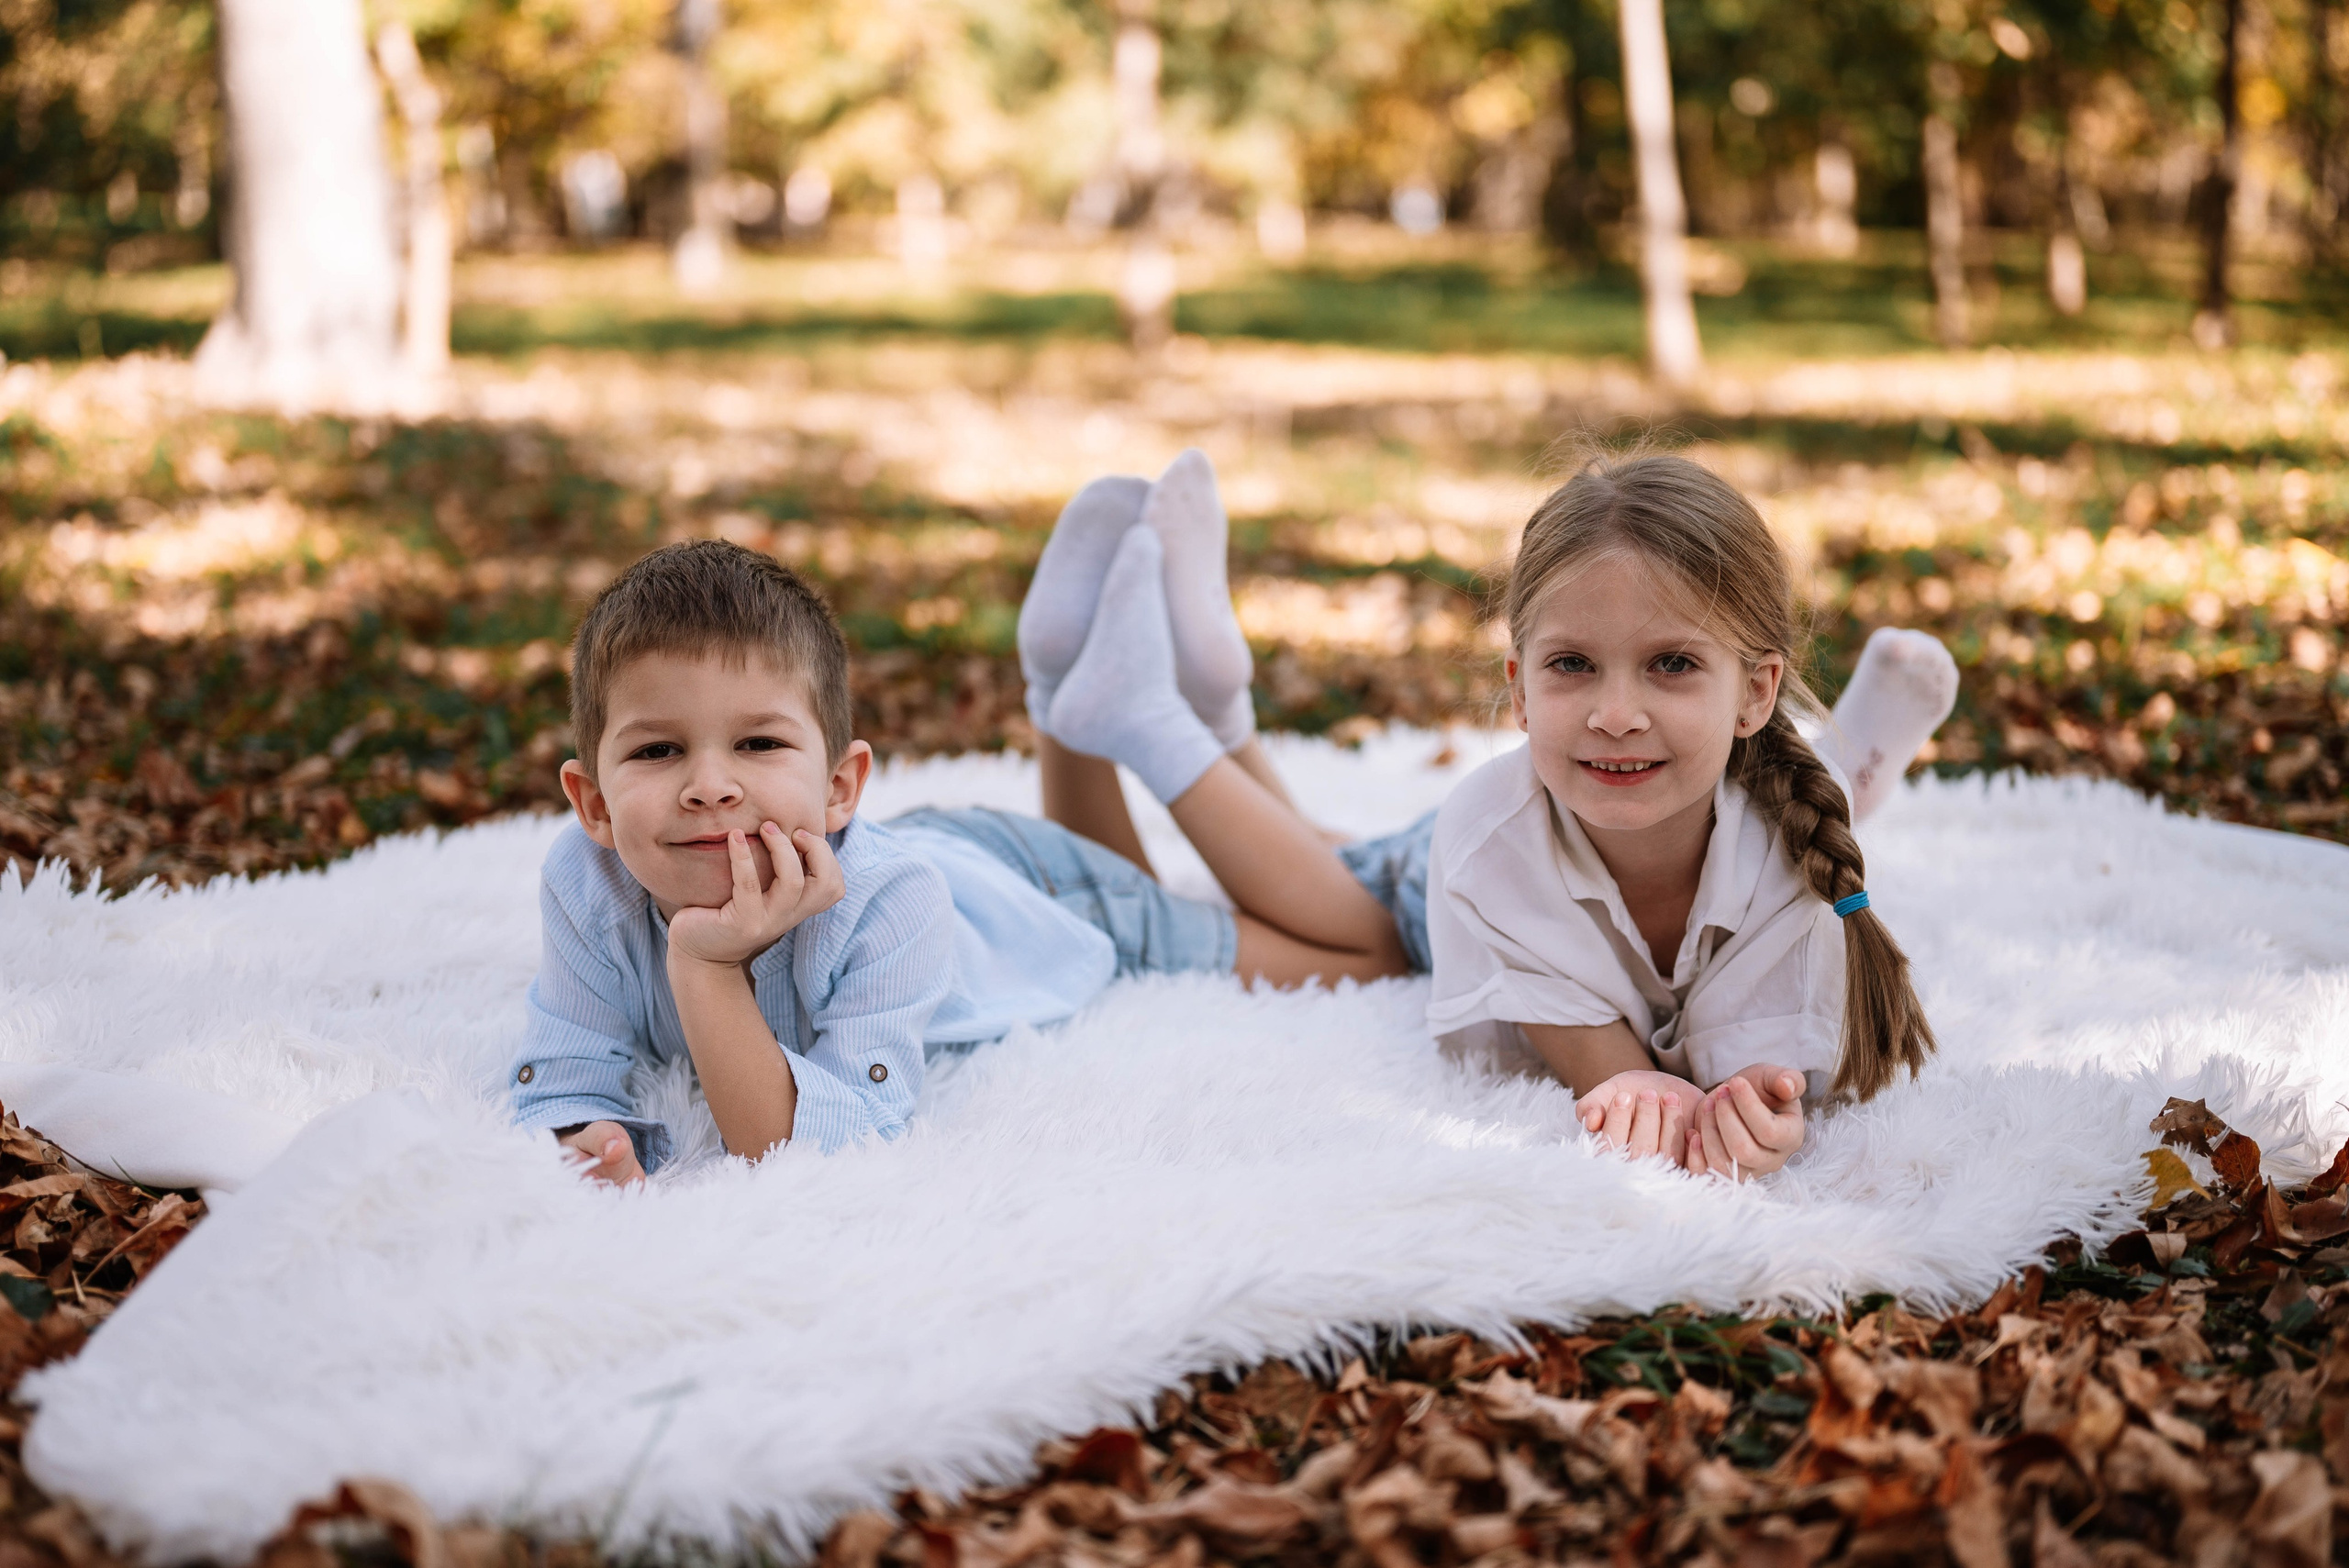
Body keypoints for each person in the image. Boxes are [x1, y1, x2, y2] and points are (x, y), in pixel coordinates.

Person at [1018, 448, 1961, 1181]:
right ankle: (1155, 720)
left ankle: (1201, 712)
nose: (1614, 710)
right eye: (1572, 664)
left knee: (1355, 878)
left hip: (1519, 845)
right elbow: (1626, 1074)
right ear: (1517, 689)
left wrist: (1758, 1115)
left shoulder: (1794, 878)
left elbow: (1741, 1084)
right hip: (1473, 860)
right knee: (1358, 914)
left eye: (1670, 664)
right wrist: (1671, 1099)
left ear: (1758, 694)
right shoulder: (1491, 842)